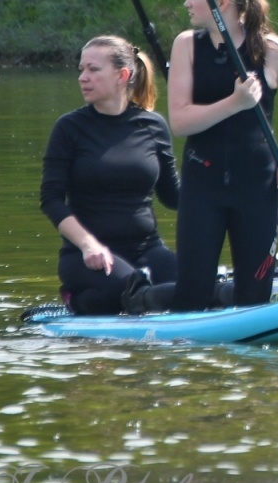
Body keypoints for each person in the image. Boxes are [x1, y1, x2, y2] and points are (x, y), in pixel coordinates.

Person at [168, 0, 278, 311]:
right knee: (192, 293)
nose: (186, 3)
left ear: (222, 3)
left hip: (258, 187)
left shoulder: (273, 51)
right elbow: (180, 122)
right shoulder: (186, 45)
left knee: (254, 294)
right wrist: (234, 103)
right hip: (202, 184)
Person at [39, 36, 179, 315]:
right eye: (81, 69)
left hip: (146, 249)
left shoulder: (153, 125)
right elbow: (51, 199)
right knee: (129, 290)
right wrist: (88, 244)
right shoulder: (69, 128)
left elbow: (173, 195)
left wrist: (221, 185)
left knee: (196, 284)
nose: (83, 78)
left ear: (122, 75)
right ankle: (77, 299)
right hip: (86, 256)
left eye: (93, 69)